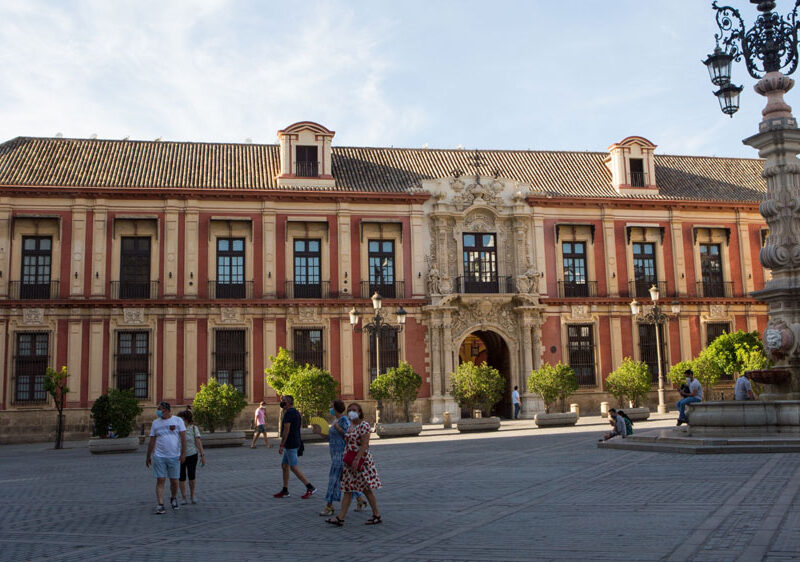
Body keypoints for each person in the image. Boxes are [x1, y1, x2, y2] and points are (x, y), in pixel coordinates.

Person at [326, 403, 382, 527]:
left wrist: (357, 459)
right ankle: (340, 518)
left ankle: (376, 515)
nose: (351, 412)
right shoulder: (350, 426)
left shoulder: (364, 425)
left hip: (361, 462)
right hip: (349, 462)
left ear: (360, 412)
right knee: (348, 489)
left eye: (354, 410)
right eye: (350, 410)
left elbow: (365, 444)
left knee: (366, 489)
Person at [318, 400, 367, 517]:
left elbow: (348, 435)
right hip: (334, 454)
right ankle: (360, 499)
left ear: (336, 408)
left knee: (333, 480)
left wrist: (337, 427)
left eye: (331, 407)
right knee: (345, 480)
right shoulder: (336, 420)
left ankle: (329, 506)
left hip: (341, 455)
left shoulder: (344, 420)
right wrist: (320, 433)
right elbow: (331, 437)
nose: (330, 409)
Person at [145, 401, 186, 514]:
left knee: (174, 481)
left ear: (167, 410)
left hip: (174, 456)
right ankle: (160, 504)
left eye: (160, 409)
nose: (158, 411)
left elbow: (183, 438)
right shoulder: (155, 423)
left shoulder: (178, 421)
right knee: (160, 479)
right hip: (159, 456)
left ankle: (173, 498)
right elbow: (152, 440)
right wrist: (148, 456)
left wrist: (183, 453)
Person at [273, 395, 316, 499]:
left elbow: (286, 431)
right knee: (284, 466)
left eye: (283, 400)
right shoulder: (296, 412)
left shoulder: (289, 414)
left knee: (293, 467)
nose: (282, 402)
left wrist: (282, 445)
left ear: (288, 402)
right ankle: (285, 490)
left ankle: (310, 487)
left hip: (291, 444)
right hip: (294, 442)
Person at [177, 409, 205, 505]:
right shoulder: (177, 429)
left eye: (182, 419)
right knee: (181, 476)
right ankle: (183, 497)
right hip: (179, 455)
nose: (180, 421)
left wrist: (202, 454)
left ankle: (192, 495)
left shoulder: (193, 428)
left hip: (192, 454)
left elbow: (198, 442)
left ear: (187, 419)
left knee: (191, 475)